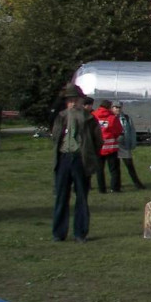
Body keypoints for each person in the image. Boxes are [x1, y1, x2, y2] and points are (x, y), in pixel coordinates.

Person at [51, 84, 102, 243]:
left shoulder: (89, 118)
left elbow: (98, 141)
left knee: (81, 196)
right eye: (69, 101)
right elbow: (55, 136)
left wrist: (89, 155)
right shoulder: (61, 117)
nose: (72, 103)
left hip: (81, 159)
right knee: (61, 196)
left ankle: (80, 233)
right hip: (64, 158)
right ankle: (59, 233)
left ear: (81, 101)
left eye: (75, 100)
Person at [112, 101, 146, 190]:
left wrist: (132, 143)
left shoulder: (126, 118)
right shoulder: (110, 118)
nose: (118, 109)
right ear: (112, 108)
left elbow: (131, 131)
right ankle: (116, 185)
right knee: (115, 167)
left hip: (124, 144)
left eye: (119, 107)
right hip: (114, 144)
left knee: (129, 165)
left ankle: (137, 183)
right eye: (116, 107)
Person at [92, 99, 123, 193]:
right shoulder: (112, 117)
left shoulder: (94, 116)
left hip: (98, 147)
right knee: (114, 169)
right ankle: (114, 188)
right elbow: (118, 130)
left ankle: (101, 189)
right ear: (109, 107)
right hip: (111, 148)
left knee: (99, 169)